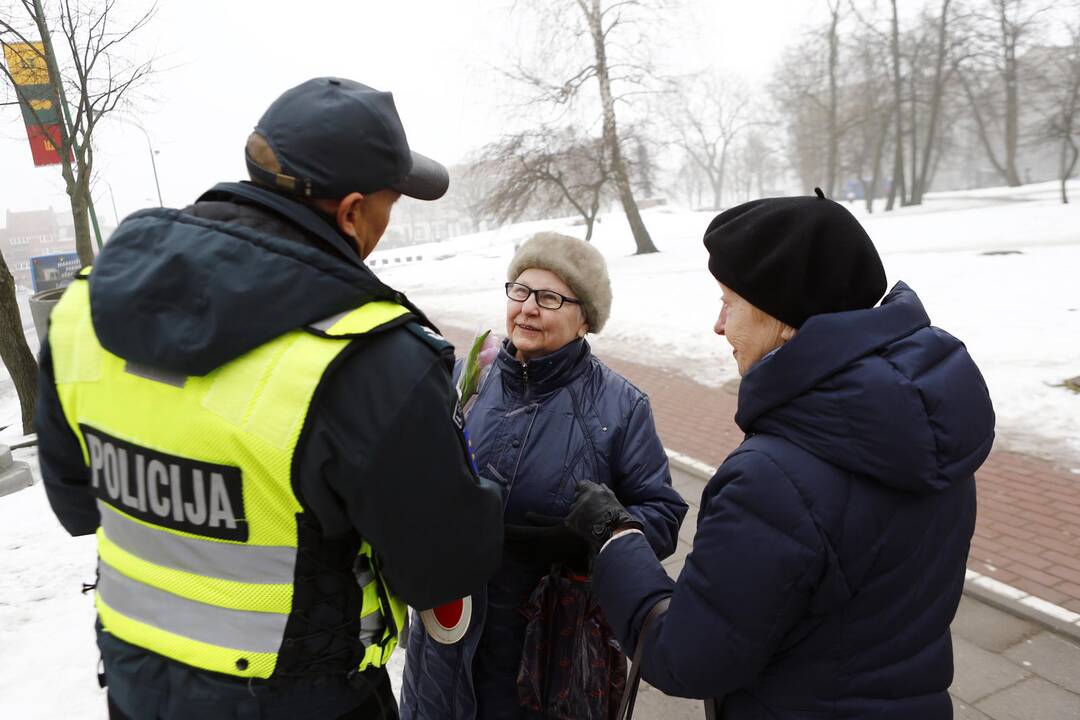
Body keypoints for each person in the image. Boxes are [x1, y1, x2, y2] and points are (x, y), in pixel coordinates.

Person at [34, 77, 503, 720]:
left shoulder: (84, 311)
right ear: (351, 212)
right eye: (389, 206)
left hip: (138, 689)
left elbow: (75, 506)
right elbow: (440, 571)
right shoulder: (373, 362)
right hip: (309, 701)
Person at [563, 190, 996, 719]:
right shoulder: (927, 433)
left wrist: (616, 538)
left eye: (729, 301)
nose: (718, 325)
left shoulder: (773, 478)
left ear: (784, 318)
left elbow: (687, 657)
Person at [401, 232, 688, 719]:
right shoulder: (468, 378)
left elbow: (661, 515)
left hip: (546, 654)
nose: (528, 308)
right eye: (520, 290)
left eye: (550, 297)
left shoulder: (621, 407)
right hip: (445, 642)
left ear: (585, 320)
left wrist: (590, 537)